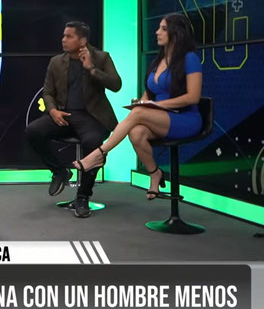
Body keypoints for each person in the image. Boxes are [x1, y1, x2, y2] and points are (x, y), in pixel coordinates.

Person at [74, 14, 202, 200]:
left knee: (140, 113)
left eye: (163, 29)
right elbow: (149, 93)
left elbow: (193, 97)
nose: (157, 32)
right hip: (161, 116)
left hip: (185, 118)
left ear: (176, 33)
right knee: (136, 132)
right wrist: (141, 104)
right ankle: (155, 173)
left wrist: (154, 106)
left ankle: (98, 154)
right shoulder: (158, 60)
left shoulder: (189, 59)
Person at [26, 21, 122, 218]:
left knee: (93, 143)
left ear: (82, 41)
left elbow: (116, 85)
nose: (63, 39)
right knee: (33, 131)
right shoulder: (56, 62)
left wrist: (91, 69)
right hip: (64, 115)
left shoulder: (101, 58)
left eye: (69, 36)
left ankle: (83, 196)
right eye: (64, 35)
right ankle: (59, 171)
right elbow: (48, 92)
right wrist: (53, 111)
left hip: (92, 117)